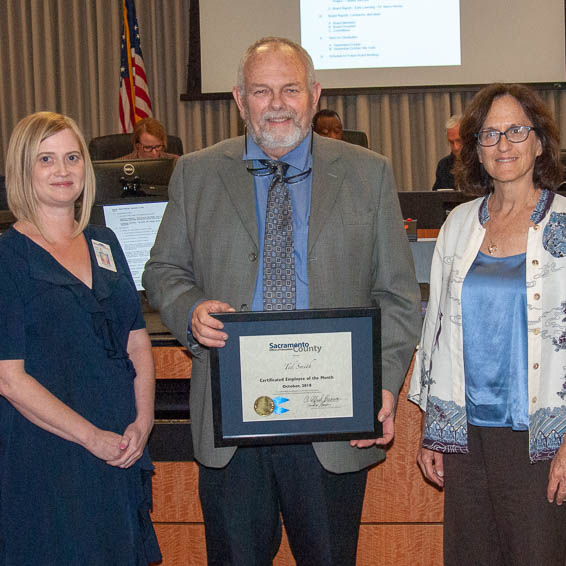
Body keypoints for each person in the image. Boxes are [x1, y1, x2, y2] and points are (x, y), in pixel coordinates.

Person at [143, 36, 420, 565]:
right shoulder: (196, 173)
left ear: (314, 95)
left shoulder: (368, 172)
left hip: (333, 424)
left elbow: (398, 297)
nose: (276, 103)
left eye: (290, 89)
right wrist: (190, 310)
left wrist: (381, 385)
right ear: (239, 99)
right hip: (231, 425)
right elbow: (164, 270)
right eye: (261, 90)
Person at [409, 83, 566, 565]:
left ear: (539, 142)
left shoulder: (564, 224)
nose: (503, 145)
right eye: (490, 134)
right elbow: (436, 331)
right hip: (467, 437)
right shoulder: (458, 223)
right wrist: (435, 429)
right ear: (475, 149)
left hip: (541, 440)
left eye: (516, 131)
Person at [0, 112, 161, 565]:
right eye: (46, 159)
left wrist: (143, 422)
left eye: (72, 157)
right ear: (22, 171)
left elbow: (136, 340)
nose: (63, 170)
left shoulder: (104, 242)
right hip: (48, 453)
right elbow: (9, 379)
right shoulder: (7, 259)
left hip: (120, 444)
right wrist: (92, 438)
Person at [432, 114, 462, 190]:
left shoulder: (481, 163)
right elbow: (436, 197)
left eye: (459, 141)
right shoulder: (444, 165)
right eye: (451, 142)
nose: (455, 147)